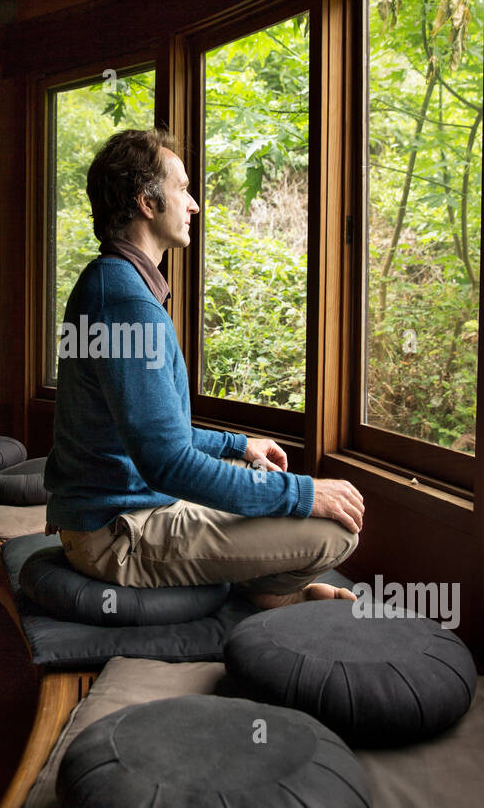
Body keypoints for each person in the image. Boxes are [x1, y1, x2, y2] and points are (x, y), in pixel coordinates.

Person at [43, 128, 363, 608]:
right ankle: (272, 598)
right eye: (183, 190)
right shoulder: (125, 302)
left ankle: (271, 585)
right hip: (115, 535)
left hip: (118, 508)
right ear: (146, 203)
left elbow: (159, 435)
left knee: (251, 465)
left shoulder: (111, 282)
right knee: (333, 532)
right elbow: (167, 463)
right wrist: (303, 495)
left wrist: (240, 444)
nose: (193, 204)